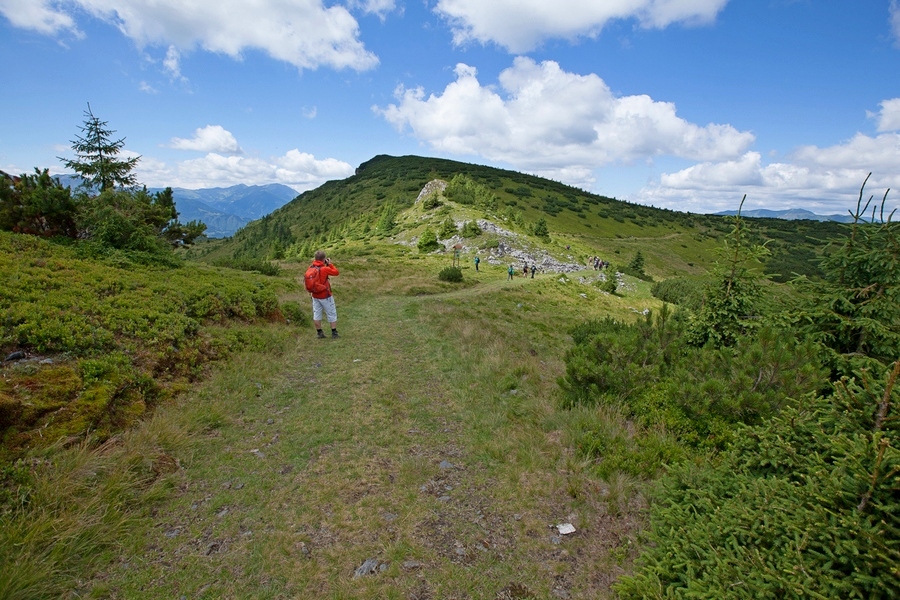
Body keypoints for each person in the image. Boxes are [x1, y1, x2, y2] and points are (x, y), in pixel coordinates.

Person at [307, 250, 340, 339]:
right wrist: (330, 264)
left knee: (317, 313)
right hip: (325, 295)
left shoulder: (311, 268)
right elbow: (336, 272)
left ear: (315, 258)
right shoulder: (324, 269)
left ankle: (319, 333)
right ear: (324, 259)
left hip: (314, 295)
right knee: (331, 313)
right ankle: (334, 333)